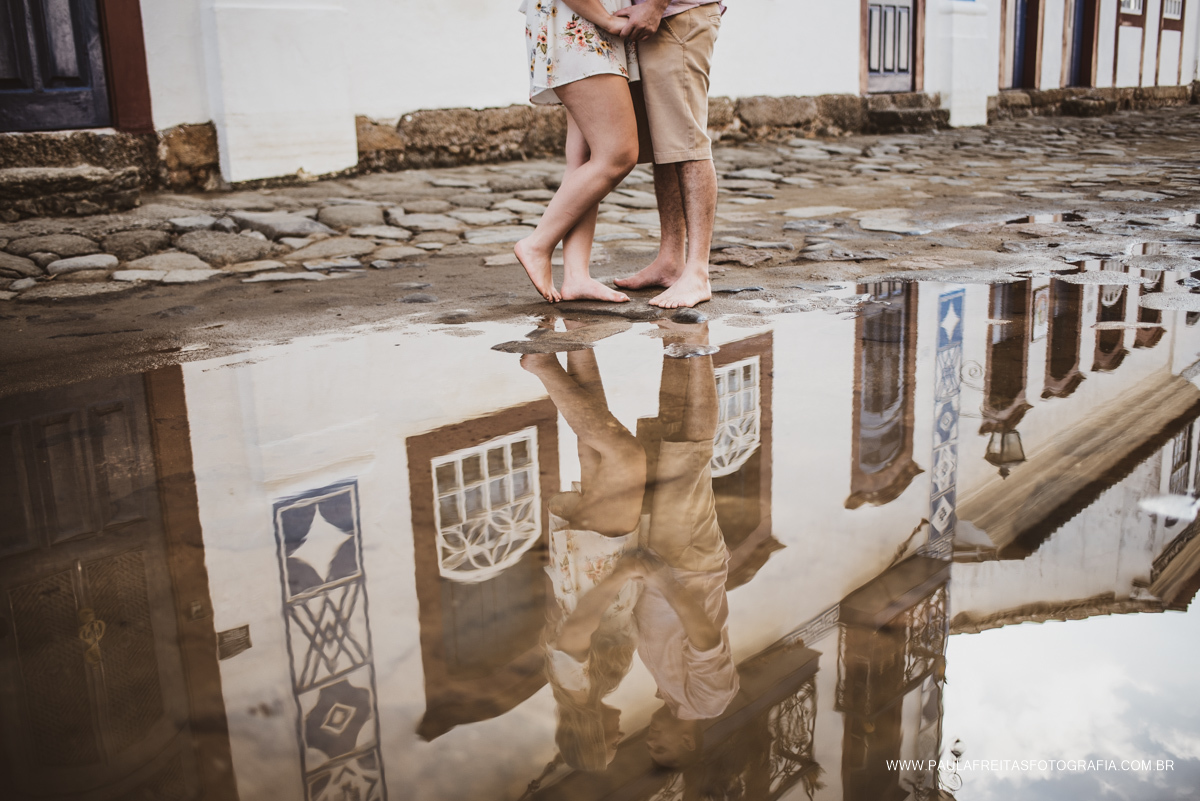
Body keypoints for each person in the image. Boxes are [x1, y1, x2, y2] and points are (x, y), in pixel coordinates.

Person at [522, 343, 648, 769]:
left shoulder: (578, 691)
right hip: (591, 567)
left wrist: (621, 575)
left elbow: (577, 630)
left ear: (591, 737)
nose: (622, 736)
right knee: (593, 446)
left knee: (626, 456)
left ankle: (542, 365)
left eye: (611, 744)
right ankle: (578, 341)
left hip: (599, 567)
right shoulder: (589, 690)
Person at [635, 320, 739, 768]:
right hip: (687, 569)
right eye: (660, 746)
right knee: (692, 453)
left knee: (668, 437)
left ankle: (674, 341)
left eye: (649, 746)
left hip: (662, 560)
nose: (651, 738)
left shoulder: (666, 691)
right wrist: (662, 577)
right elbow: (704, 636)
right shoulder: (710, 702)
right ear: (689, 744)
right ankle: (697, 343)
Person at [516, 0, 646, 304]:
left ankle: (577, 276)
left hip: (584, 24)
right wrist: (607, 20)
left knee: (584, 158)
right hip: (584, 25)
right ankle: (537, 244)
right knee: (618, 154)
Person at [613, 0, 724, 309]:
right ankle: (670, 260)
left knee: (688, 143)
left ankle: (698, 273)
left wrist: (655, 4)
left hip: (677, 14)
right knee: (668, 146)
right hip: (658, 19)